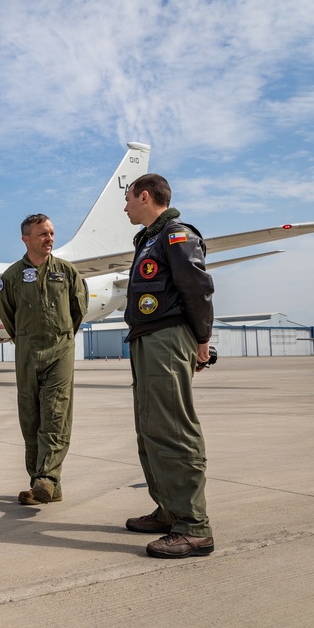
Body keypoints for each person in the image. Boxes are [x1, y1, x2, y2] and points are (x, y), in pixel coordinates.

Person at [122, 173, 215, 559]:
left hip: (167, 336)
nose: (125, 207)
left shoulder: (177, 235)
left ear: (145, 196)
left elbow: (197, 288)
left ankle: (194, 527)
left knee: (174, 427)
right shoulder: (150, 239)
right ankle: (168, 511)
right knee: (150, 427)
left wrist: (202, 341)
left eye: (128, 199)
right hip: (147, 337)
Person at [0, 214, 88, 506]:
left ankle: (45, 478)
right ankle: (46, 485)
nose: (49, 238)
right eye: (42, 234)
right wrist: (25, 337)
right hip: (27, 351)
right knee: (30, 416)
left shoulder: (67, 271)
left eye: (51, 233)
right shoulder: (11, 276)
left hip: (60, 350)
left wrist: (60, 336)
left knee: (56, 413)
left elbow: (78, 310)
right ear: (26, 239)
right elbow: (7, 315)